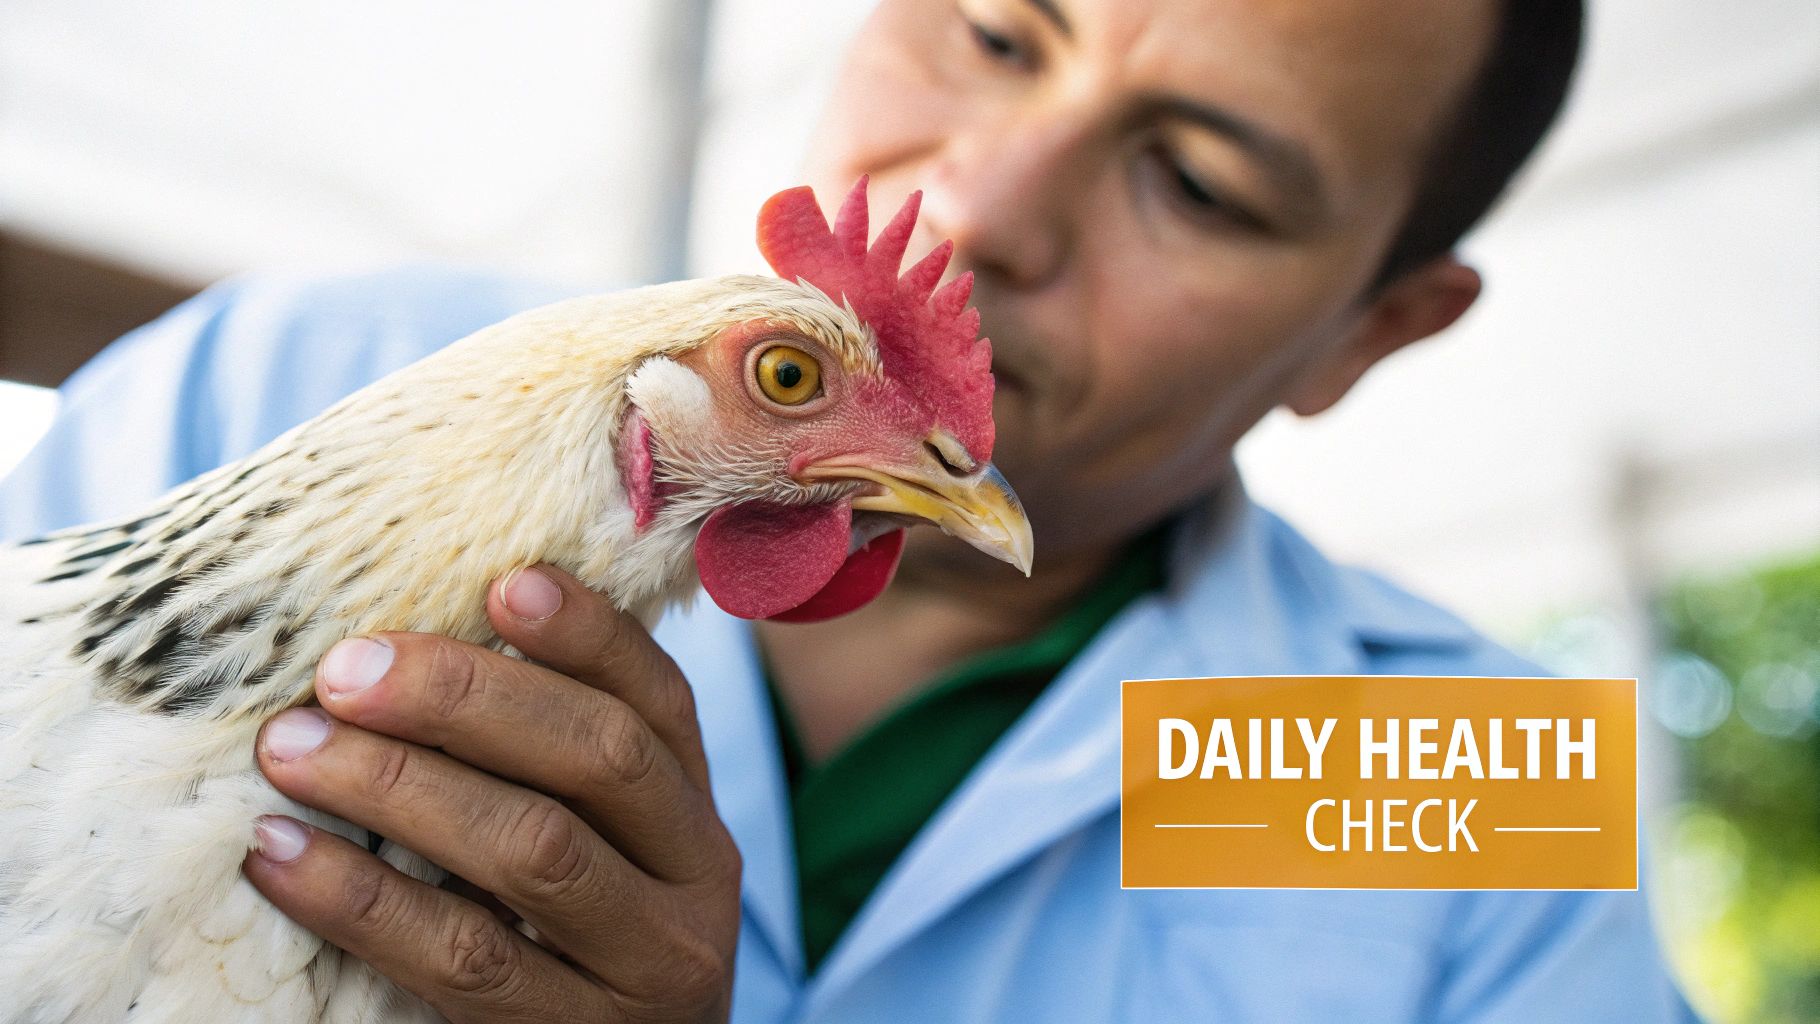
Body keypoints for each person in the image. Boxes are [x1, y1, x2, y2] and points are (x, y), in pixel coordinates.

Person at [0, 0, 1702, 1021]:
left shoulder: (1448, 770)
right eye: (991, 31)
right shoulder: (262, 380)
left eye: (1195, 182)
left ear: (1376, 329)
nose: (983, 201)